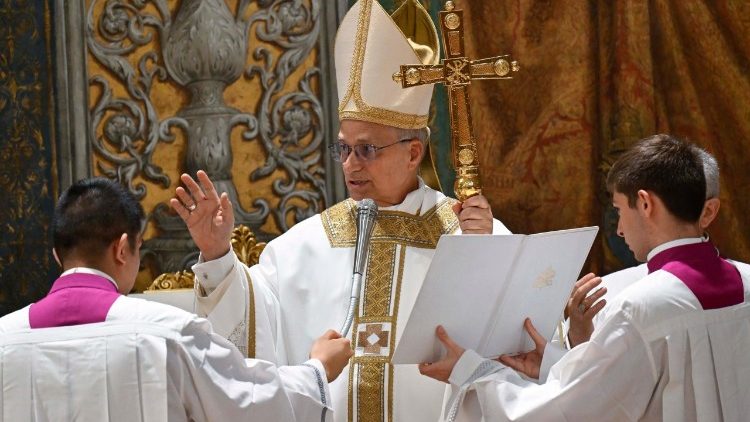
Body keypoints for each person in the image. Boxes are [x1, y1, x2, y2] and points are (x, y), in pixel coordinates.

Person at [170, 1, 509, 420]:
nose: (350, 165)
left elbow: (518, 351)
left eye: (366, 149)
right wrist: (217, 254)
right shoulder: (304, 246)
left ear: (412, 153)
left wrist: (484, 254)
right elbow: (249, 335)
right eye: (344, 149)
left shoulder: (470, 235)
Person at [420, 134, 750, 421]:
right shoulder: (747, 281)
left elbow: (565, 413)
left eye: (619, 210)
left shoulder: (640, 307)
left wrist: (471, 371)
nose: (620, 229)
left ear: (645, 204)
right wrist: (552, 364)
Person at [0, 178, 353, 421]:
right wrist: (316, 371)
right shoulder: (165, 334)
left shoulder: (5, 338)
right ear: (122, 249)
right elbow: (249, 403)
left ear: (57, 255)